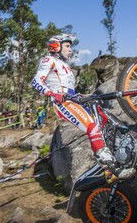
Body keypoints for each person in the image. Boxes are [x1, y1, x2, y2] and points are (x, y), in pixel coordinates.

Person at [31, 33, 118, 172]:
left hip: (73, 100)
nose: (70, 50)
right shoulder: (48, 60)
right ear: (56, 46)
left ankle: (113, 155)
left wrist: (81, 95)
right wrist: (52, 93)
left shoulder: (65, 65)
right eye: (67, 46)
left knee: (104, 120)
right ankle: (105, 159)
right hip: (63, 103)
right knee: (92, 126)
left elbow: (69, 89)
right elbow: (36, 81)